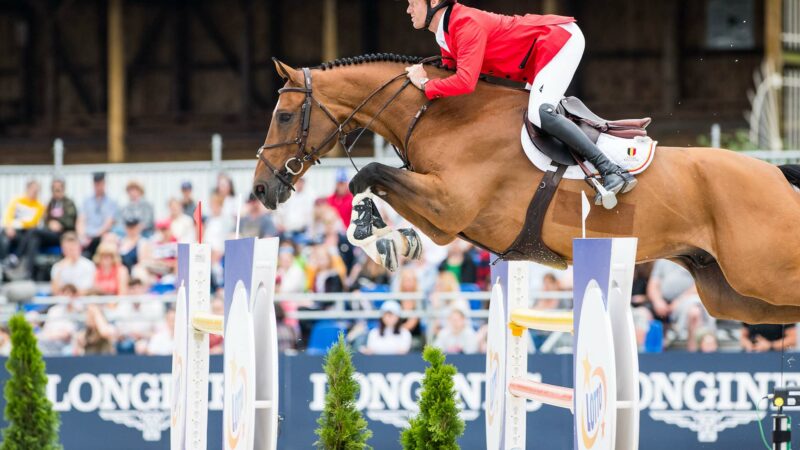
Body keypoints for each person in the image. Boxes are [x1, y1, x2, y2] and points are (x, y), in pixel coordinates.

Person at [403, 0, 635, 206]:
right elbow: (450, 74)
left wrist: (424, 84)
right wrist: (426, 77)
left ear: (433, 2)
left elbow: (465, 82)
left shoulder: (464, 23)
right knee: (522, 123)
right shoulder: (445, 32)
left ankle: (611, 170)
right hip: (538, 55)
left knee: (540, 114)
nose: (408, 9)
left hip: (559, 39)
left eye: (412, 3)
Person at [647, 259, 715, 352]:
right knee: (642, 315)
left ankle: (693, 355)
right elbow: (653, 285)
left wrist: (678, 301)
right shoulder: (662, 260)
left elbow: (700, 285)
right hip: (663, 304)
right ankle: (648, 358)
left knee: (694, 312)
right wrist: (657, 301)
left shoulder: (693, 258)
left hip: (690, 299)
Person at [23, 177, 78, 278]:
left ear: (63, 189)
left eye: (58, 189)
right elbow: (45, 219)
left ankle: (18, 256)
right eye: (54, 189)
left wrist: (59, 224)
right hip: (51, 234)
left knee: (33, 231)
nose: (56, 192)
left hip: (63, 234)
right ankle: (29, 272)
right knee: (35, 239)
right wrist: (50, 224)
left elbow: (71, 221)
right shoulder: (50, 204)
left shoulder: (69, 203)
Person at [1, 179, 45, 277]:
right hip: (11, 229)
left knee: (33, 240)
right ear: (27, 189)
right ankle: (4, 266)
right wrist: (9, 226)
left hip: (25, 233)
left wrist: (19, 224)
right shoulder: (16, 200)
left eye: (37, 191)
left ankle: (27, 271)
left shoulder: (39, 206)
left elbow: (33, 223)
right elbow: (8, 215)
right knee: (4, 239)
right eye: (33, 190)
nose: (35, 193)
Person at [76, 172, 117, 258]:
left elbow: (108, 223)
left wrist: (94, 237)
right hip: (87, 237)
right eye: (96, 184)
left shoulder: (111, 202)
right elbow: (81, 221)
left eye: (100, 183)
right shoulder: (86, 201)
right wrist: (82, 236)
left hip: (101, 236)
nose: (98, 186)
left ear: (104, 184)